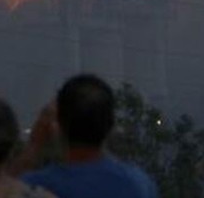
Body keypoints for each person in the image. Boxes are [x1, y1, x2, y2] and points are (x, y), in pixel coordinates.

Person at [13, 74, 158, 198]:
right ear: (110, 125)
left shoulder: (35, 187)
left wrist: (34, 145)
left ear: (59, 125)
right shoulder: (138, 185)